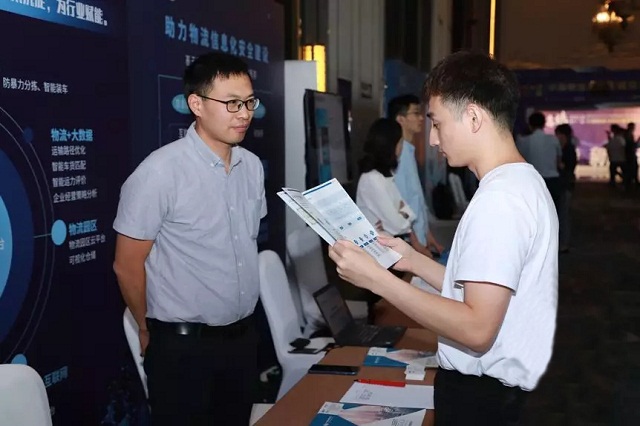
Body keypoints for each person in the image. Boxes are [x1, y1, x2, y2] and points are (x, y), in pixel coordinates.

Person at [329, 51, 558, 425]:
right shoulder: (520, 183)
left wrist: (378, 280)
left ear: (473, 117)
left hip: (480, 397)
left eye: (437, 123)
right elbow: (482, 290)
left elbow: (476, 329)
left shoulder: (500, 201)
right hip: (495, 393)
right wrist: (412, 260)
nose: (433, 139)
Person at [113, 52, 265, 425]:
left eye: (249, 102)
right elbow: (127, 266)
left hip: (243, 340)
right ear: (196, 104)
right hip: (182, 348)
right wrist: (145, 327)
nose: (244, 114)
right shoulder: (159, 172)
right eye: (232, 103)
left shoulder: (251, 166)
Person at [356, 118, 435, 261]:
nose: (401, 147)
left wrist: (399, 216)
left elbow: (404, 210)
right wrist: (400, 216)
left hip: (389, 251)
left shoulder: (385, 176)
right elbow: (398, 225)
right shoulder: (372, 179)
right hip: (377, 255)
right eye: (400, 143)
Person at [388, 94, 445, 256]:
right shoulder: (398, 155)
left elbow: (417, 198)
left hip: (418, 238)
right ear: (400, 119)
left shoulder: (409, 151)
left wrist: (427, 234)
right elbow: (400, 204)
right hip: (409, 241)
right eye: (415, 113)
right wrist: (415, 243)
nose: (421, 118)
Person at [516, 111, 562, 208]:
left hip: (534, 182)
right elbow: (558, 161)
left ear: (530, 125)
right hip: (553, 181)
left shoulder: (523, 141)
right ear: (544, 124)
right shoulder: (554, 139)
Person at [555, 123, 577, 253]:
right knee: (561, 213)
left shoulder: (568, 149)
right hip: (561, 183)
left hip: (565, 184)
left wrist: (558, 163)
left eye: (558, 134)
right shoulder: (564, 147)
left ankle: (564, 243)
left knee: (563, 214)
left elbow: (568, 167)